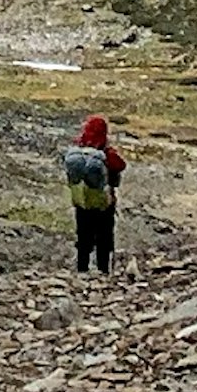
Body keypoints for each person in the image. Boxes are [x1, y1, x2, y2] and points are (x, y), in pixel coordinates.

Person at [62, 115, 126, 274]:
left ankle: (82, 269)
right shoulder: (106, 153)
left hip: (82, 202)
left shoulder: (78, 151)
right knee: (104, 237)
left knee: (84, 235)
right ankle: (103, 270)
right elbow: (120, 165)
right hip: (105, 203)